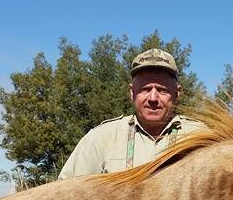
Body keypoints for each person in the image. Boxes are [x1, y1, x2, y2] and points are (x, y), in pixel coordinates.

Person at [58, 48, 205, 179]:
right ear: (132, 92)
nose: (153, 98)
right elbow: (66, 194)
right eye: (145, 89)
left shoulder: (202, 137)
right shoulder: (102, 138)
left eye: (162, 90)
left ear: (176, 93)